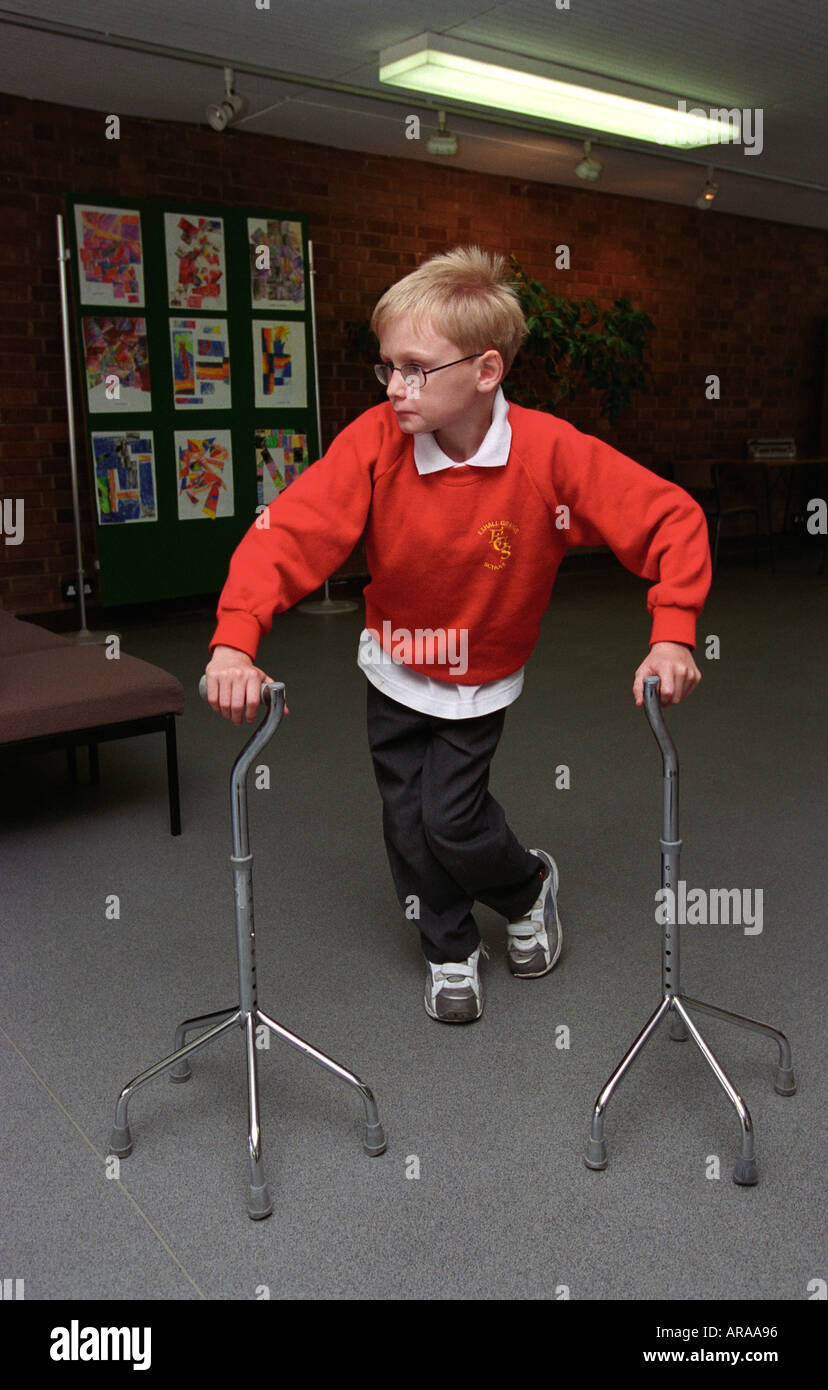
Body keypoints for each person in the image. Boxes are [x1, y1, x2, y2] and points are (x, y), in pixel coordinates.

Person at [204, 246, 711, 1024]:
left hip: (479, 675)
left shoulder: (546, 453)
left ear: (486, 371)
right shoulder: (375, 443)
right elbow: (287, 534)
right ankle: (447, 947)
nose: (396, 387)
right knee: (408, 825)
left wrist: (673, 631)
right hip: (392, 666)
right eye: (387, 368)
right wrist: (236, 639)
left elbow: (669, 517)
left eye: (415, 368)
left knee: (450, 817)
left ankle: (526, 887)